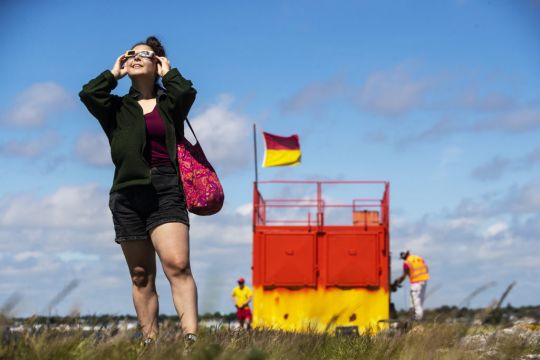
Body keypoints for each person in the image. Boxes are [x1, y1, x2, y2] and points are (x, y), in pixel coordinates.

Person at [79, 36, 198, 346]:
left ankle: (190, 340)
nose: (134, 57)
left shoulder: (169, 103)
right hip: (126, 195)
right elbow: (88, 94)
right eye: (130, 54)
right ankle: (150, 342)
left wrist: (169, 72)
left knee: (177, 264)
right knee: (141, 275)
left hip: (165, 189)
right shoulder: (116, 109)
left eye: (144, 54)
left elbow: (186, 91)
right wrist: (112, 75)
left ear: (157, 63)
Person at [391, 250, 430, 321]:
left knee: (416, 302)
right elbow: (426, 268)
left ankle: (418, 319)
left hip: (416, 283)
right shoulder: (418, 258)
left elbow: (403, 276)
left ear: (403, 257)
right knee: (419, 301)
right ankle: (416, 317)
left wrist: (397, 282)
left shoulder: (407, 262)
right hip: (424, 281)